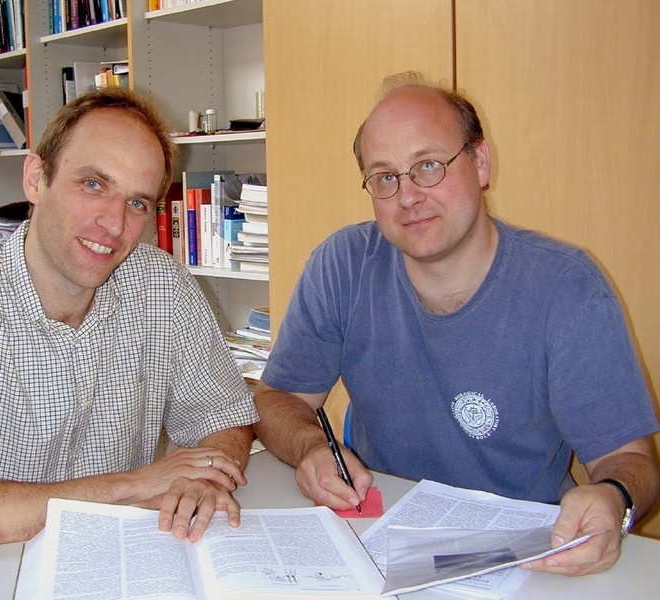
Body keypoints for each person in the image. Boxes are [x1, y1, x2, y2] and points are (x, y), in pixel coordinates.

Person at [254, 72, 660, 576]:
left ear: (481, 163)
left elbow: (630, 460)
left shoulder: (566, 287)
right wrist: (312, 449)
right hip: (378, 538)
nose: (408, 197)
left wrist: (612, 496)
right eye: (385, 177)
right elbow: (278, 398)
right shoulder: (344, 264)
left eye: (428, 166)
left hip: (524, 556)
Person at [0, 87, 258, 556]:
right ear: (35, 178)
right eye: (93, 185)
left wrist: (206, 479)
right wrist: (130, 487)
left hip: (120, 550)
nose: (113, 223)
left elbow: (223, 417)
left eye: (138, 203)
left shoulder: (163, 285)